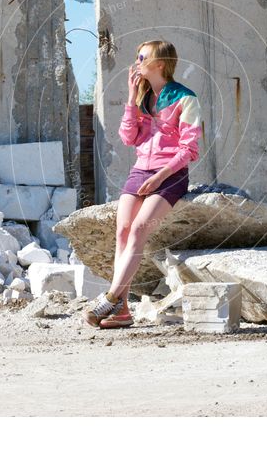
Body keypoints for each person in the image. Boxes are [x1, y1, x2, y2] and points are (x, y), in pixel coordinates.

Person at [83, 40, 203, 328]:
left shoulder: (186, 99)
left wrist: (160, 176)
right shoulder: (142, 97)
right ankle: (122, 311)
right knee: (123, 230)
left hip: (170, 175)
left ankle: (110, 298)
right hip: (139, 170)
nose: (136, 61)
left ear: (159, 63)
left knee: (139, 229)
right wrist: (130, 96)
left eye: (142, 57)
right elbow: (128, 138)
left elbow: (190, 149)